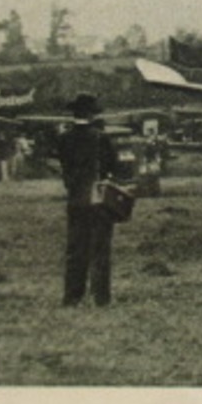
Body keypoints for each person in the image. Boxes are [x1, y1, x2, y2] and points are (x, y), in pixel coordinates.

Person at [56, 92, 119, 307]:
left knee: (75, 249)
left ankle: (72, 297)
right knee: (100, 250)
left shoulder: (64, 138)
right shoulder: (101, 138)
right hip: (97, 198)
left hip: (75, 199)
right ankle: (100, 297)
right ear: (92, 115)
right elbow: (113, 166)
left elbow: (65, 168)